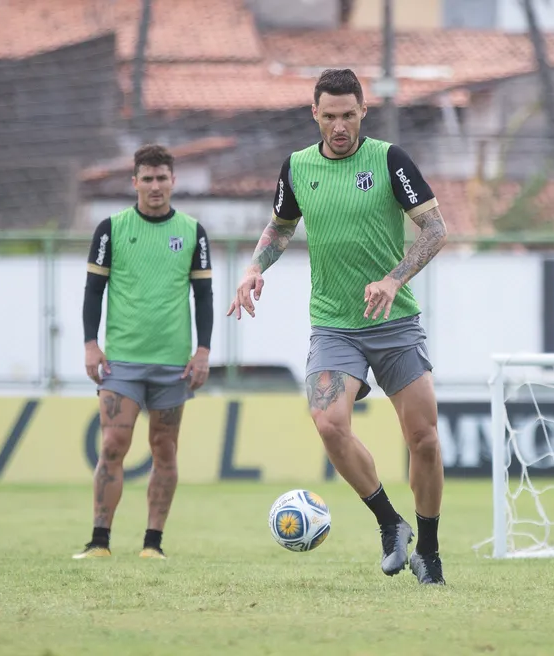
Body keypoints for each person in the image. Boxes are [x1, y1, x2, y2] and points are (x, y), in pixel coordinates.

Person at [228, 69, 448, 585]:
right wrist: (256, 266)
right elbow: (280, 226)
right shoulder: (298, 168)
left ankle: (430, 554)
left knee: (425, 441)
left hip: (394, 323)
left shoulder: (390, 160)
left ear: (362, 111)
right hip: (334, 325)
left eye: (348, 114)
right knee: (328, 423)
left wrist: (394, 279)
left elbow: (435, 228)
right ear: (315, 115)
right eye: (329, 116)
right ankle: (390, 524)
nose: (339, 125)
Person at [74, 144, 214, 560]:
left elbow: (203, 296)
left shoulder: (192, 231)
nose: (155, 186)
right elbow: (93, 291)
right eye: (147, 179)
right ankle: (100, 540)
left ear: (173, 181)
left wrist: (203, 349)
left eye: (162, 178)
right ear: (134, 182)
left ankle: (153, 543)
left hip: (174, 362)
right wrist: (90, 343)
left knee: (164, 449)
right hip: (123, 362)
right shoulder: (111, 229)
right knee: (113, 444)